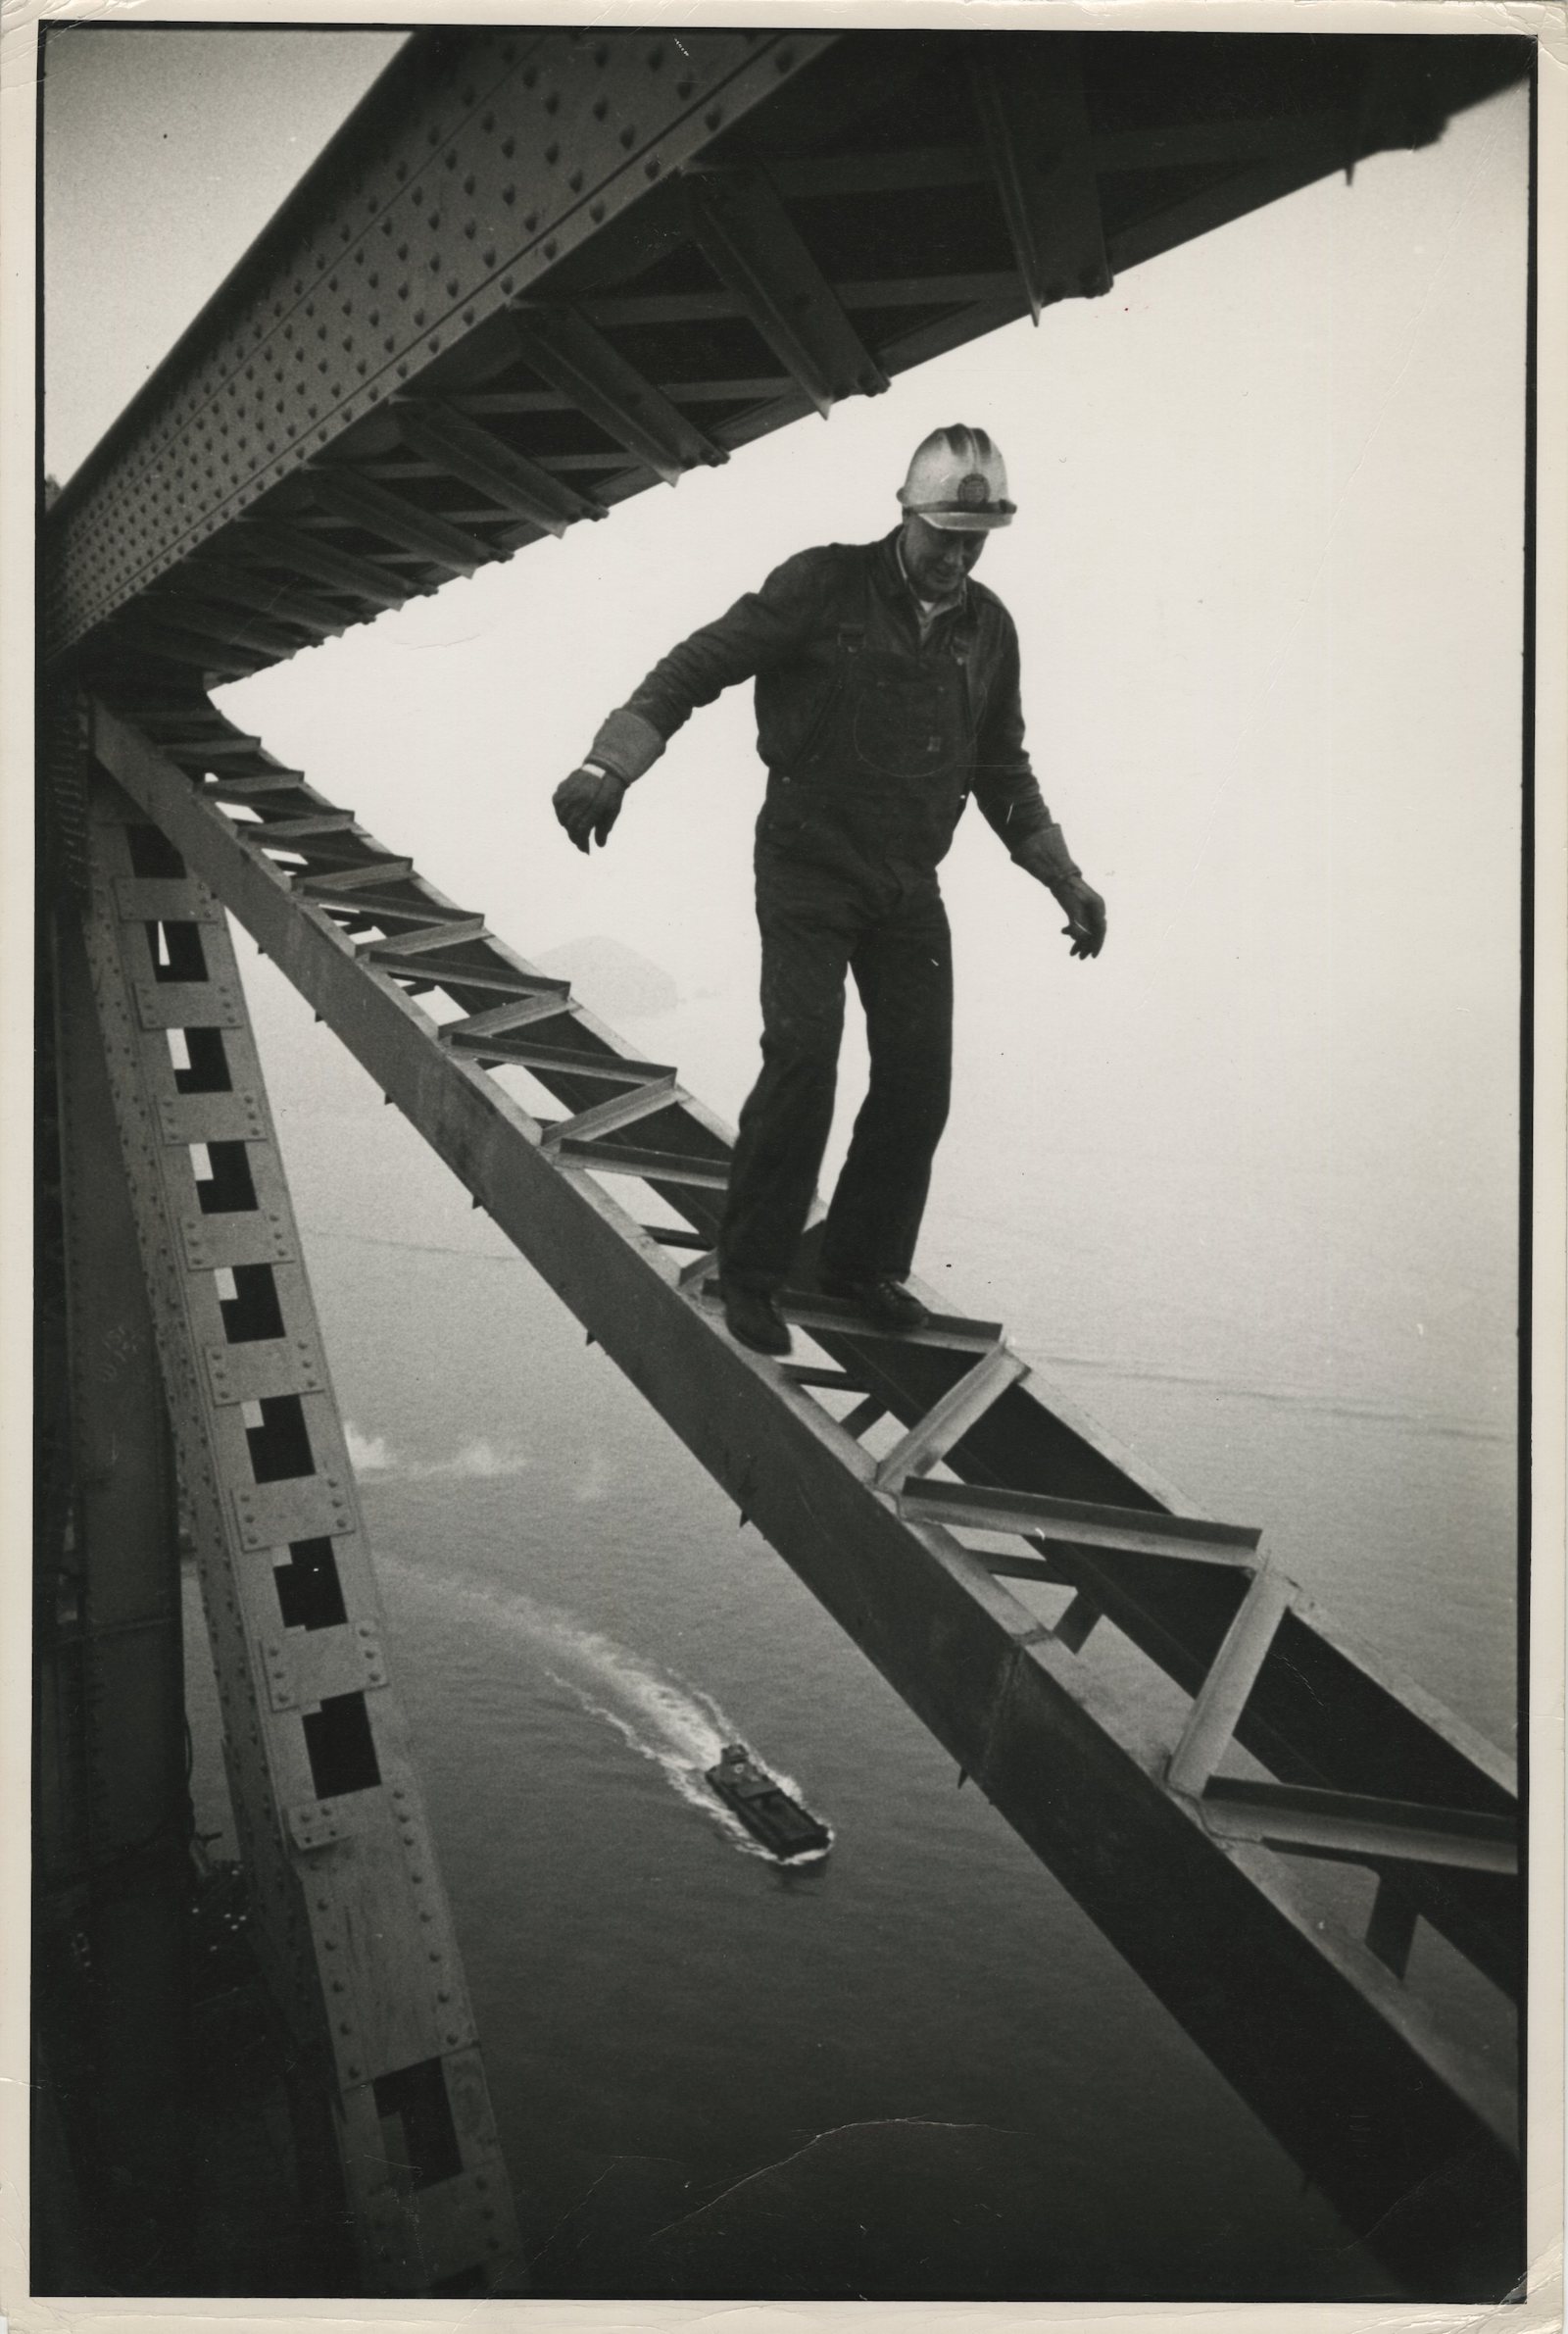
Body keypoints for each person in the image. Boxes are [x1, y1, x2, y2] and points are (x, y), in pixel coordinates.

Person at [554, 425, 1106, 1359]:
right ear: (905, 515)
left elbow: (1001, 769)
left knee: (918, 1076)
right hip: (807, 864)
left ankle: (860, 1263)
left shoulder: (989, 629)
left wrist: (1065, 876)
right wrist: (611, 763)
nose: (958, 558)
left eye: (975, 541)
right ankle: (754, 1271)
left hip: (905, 881)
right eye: (944, 536)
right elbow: (698, 665)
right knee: (805, 1061)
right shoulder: (822, 585)